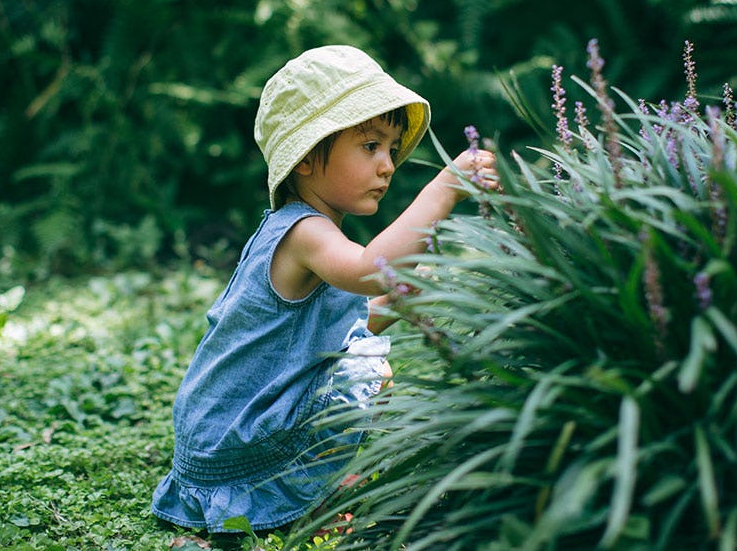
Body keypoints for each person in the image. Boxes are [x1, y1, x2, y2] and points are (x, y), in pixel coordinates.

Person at [150, 45, 499, 533]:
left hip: (218, 436)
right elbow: (369, 269)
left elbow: (323, 331)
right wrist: (443, 189)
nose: (387, 165)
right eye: (370, 146)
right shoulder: (304, 233)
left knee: (360, 354)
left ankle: (326, 481)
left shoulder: (307, 230)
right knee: (368, 369)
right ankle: (321, 492)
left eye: (392, 150)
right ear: (308, 158)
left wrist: (395, 303)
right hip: (231, 442)